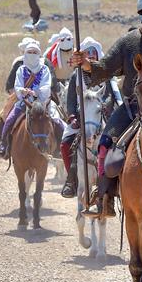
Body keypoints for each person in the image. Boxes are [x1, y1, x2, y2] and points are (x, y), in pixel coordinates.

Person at [71, 0, 142, 217]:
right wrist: (85, 64)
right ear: (140, 12)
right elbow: (105, 68)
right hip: (134, 107)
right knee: (106, 141)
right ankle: (104, 198)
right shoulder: (129, 42)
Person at [59, 36, 119, 198]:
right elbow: (71, 99)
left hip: (103, 118)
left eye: (94, 53)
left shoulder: (107, 76)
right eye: (88, 53)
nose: (91, 56)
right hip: (81, 119)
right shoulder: (75, 76)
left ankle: (117, 182)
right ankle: (71, 180)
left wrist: (106, 110)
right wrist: (72, 117)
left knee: (121, 145)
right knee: (65, 144)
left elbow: (112, 98)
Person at [0, 40, 51, 158]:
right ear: (25, 53)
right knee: (9, 119)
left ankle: (59, 148)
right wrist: (23, 91)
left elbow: (46, 85)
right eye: (29, 52)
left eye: (35, 52)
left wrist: (37, 92)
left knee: (56, 120)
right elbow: (17, 85)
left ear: (39, 54)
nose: (32, 54)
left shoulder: (45, 69)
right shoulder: (21, 69)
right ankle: (3, 144)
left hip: (41, 102)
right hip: (24, 101)